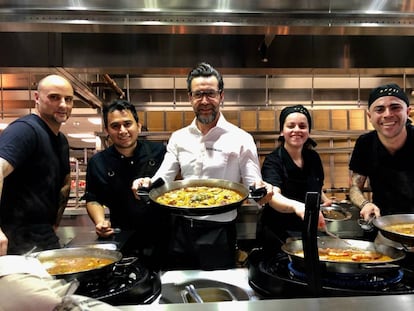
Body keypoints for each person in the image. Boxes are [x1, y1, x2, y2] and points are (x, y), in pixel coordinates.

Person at [132, 62, 272, 270]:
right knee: (179, 289)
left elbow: (254, 186)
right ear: (190, 98)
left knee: (217, 293)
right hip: (180, 230)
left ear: (221, 96)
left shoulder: (241, 138)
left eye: (210, 94)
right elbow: (164, 178)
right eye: (198, 94)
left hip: (220, 231)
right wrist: (146, 184)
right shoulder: (178, 138)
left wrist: (263, 191)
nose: (204, 101)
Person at [84, 99, 168, 270]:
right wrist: (100, 222)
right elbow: (93, 199)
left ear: (138, 125)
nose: (122, 131)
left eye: (127, 124)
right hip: (123, 239)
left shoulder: (159, 152)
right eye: (115, 126)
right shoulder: (98, 162)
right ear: (107, 130)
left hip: (163, 236)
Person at [0, 74, 74, 255]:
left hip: (43, 235)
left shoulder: (61, 140)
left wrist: (55, 222)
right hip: (15, 239)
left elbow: (64, 184)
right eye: (54, 97)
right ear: (37, 98)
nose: (63, 105)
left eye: (68, 99)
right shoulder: (25, 130)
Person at [257, 104, 332, 253]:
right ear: (282, 131)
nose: (297, 130)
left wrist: (324, 199)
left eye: (302, 126)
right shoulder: (273, 161)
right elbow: (273, 197)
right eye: (291, 126)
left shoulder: (313, 158)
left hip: (308, 230)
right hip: (279, 233)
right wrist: (298, 207)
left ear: (308, 131)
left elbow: (314, 184)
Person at [349, 83, 414, 222]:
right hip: (382, 223)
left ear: (408, 112)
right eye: (380, 109)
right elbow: (355, 187)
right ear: (369, 116)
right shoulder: (365, 144)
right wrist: (365, 204)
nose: (388, 114)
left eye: (395, 107)